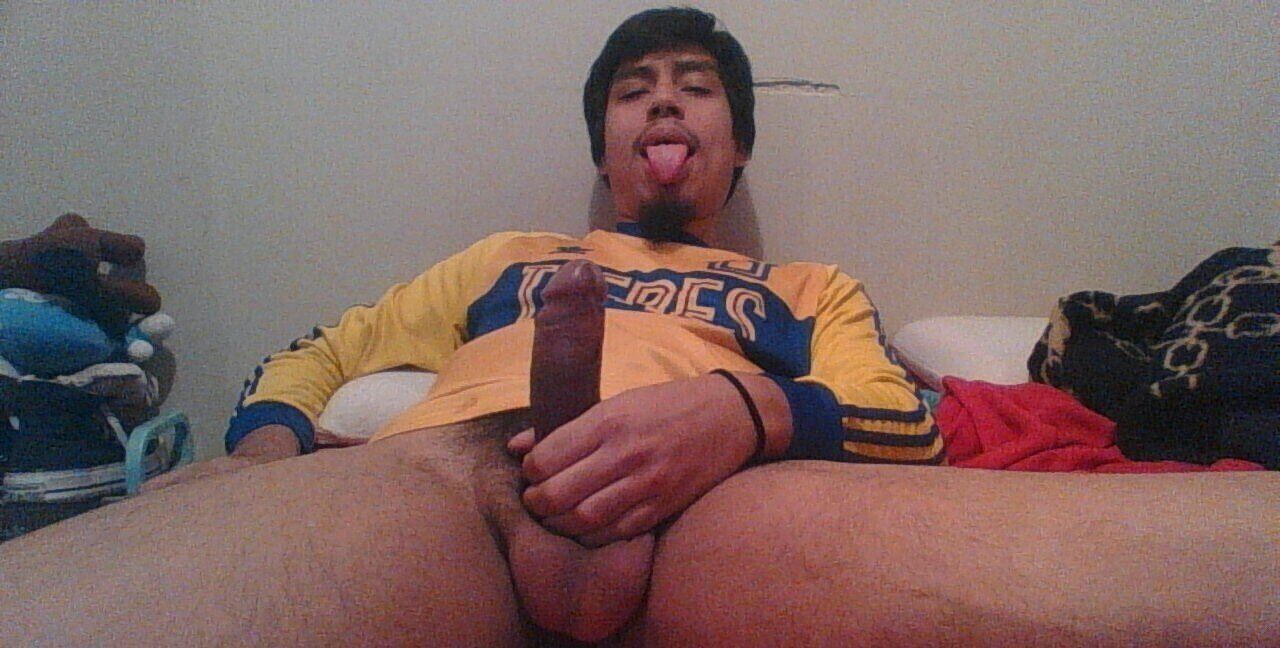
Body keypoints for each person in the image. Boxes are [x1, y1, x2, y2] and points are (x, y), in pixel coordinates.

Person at [2, 8, 1275, 647]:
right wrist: (269, 453)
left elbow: (903, 418)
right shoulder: (512, 259)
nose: (663, 106)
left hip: (730, 508)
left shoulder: (805, 288)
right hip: (456, 475)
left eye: (694, 89)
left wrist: (743, 410)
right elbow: (321, 352)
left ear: (732, 144)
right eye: (633, 93)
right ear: (606, 147)